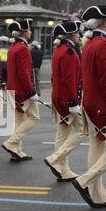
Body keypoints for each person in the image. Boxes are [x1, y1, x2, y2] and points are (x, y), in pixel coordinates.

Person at [72, 4, 106, 208]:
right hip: (102, 106)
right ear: (104, 22)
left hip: (90, 103)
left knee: (96, 147)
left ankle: (97, 193)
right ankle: (85, 181)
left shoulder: (90, 43)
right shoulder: (104, 45)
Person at [44, 21, 84, 182]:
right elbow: (69, 80)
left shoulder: (60, 49)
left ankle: (62, 168)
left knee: (63, 132)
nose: (79, 36)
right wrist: (73, 102)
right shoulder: (68, 52)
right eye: (77, 34)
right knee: (82, 130)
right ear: (71, 35)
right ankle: (56, 158)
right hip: (67, 98)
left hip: (60, 96)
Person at [3, 19, 39, 162]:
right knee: (34, 117)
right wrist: (31, 91)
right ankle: (12, 142)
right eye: (29, 30)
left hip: (13, 88)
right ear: (24, 32)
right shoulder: (22, 48)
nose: (30, 32)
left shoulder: (14, 46)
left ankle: (17, 150)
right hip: (22, 90)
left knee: (19, 120)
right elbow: (23, 73)